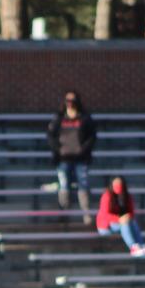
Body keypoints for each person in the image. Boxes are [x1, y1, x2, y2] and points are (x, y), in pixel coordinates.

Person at [47, 91, 97, 223]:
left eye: (72, 101)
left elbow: (92, 136)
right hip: (64, 158)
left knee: (83, 184)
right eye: (67, 101)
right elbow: (51, 135)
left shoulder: (85, 118)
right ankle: (63, 213)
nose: (70, 104)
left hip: (81, 158)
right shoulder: (59, 118)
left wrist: (83, 149)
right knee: (64, 185)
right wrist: (59, 150)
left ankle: (87, 214)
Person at [95, 176, 145, 257]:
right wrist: (119, 219)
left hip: (121, 224)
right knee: (124, 224)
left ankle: (141, 245)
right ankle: (133, 248)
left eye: (120, 183)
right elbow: (104, 215)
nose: (118, 186)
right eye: (116, 183)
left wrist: (127, 217)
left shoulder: (127, 196)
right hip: (105, 227)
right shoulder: (107, 196)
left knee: (132, 222)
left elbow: (131, 212)